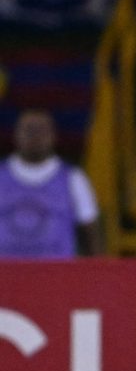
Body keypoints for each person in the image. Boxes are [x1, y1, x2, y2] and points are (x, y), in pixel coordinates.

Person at [0, 108, 102, 258]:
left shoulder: (73, 178)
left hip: (57, 277)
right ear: (16, 134)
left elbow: (91, 235)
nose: (35, 136)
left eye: (41, 130)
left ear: (53, 135)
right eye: (29, 129)